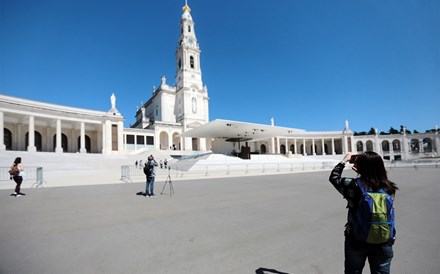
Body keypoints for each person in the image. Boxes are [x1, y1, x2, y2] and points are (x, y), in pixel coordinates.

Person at [329, 151, 398, 274]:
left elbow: (334, 178)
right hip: (384, 238)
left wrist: (344, 161)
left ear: (360, 167)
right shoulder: (389, 187)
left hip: (357, 237)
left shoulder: (353, 185)